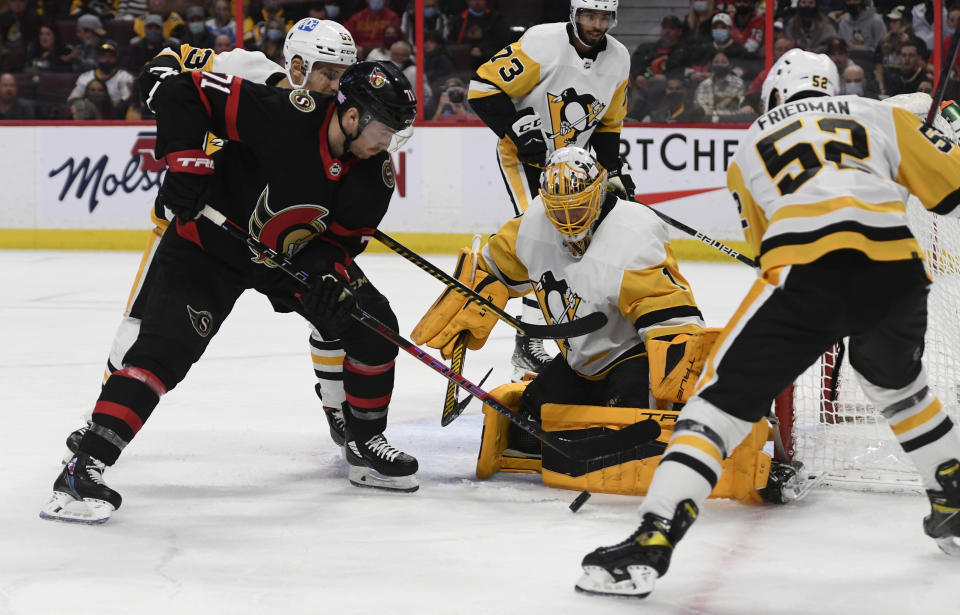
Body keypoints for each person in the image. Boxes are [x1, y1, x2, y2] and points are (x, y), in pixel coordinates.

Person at [575, 49, 960, 598]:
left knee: (718, 404)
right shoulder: (879, 114)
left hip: (810, 276)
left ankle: (651, 539)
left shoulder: (751, 142)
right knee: (896, 383)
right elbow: (949, 193)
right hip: (896, 272)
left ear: (776, 94)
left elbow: (767, 252)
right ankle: (953, 497)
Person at [41, 59, 419, 524]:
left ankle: (364, 442)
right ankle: (84, 469)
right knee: (162, 354)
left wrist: (328, 278)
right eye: (384, 130)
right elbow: (186, 90)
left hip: (286, 259)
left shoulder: (374, 175)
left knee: (373, 327)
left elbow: (339, 243)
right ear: (353, 114)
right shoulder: (289, 113)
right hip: (208, 245)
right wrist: (186, 164)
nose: (388, 144)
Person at [467, 0, 630, 382]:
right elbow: (482, 88)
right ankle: (528, 342)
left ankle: (552, 336)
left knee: (574, 245)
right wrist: (519, 130)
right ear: (575, 14)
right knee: (540, 236)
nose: (596, 24)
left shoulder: (619, 58)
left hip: (572, 169)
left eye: (604, 17)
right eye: (590, 16)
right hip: (524, 159)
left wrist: (614, 170)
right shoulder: (543, 43)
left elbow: (608, 125)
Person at [68, 41, 135, 107]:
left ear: (117, 58)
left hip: (116, 114)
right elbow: (72, 99)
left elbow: (127, 99)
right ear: (97, 58)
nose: (107, 60)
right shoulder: (86, 77)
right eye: (104, 56)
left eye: (111, 56)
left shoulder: (125, 77)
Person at [693, 50, 747, 121]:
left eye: (723, 62)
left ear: (730, 65)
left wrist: (713, 114)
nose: (719, 65)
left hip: (731, 126)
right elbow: (700, 110)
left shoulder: (738, 84)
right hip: (706, 126)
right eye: (716, 62)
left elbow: (739, 111)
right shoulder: (703, 85)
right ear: (711, 65)